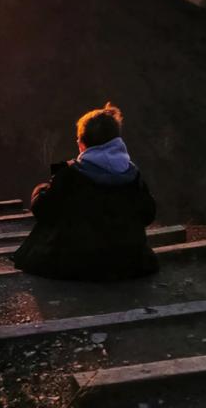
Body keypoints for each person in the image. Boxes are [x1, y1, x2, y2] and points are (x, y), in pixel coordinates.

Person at [12, 103, 158, 281]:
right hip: (130, 263)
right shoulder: (133, 174)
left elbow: (42, 211)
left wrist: (40, 189)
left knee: (50, 220)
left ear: (81, 144)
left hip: (79, 265)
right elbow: (148, 214)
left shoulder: (69, 174)